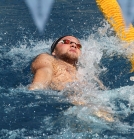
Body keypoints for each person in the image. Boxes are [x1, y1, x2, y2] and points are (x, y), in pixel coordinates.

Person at [29, 35, 113, 122]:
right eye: (66, 42)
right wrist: (36, 88)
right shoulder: (47, 58)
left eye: (78, 45)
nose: (74, 45)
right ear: (54, 51)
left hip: (86, 105)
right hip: (62, 101)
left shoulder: (84, 71)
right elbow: (44, 70)